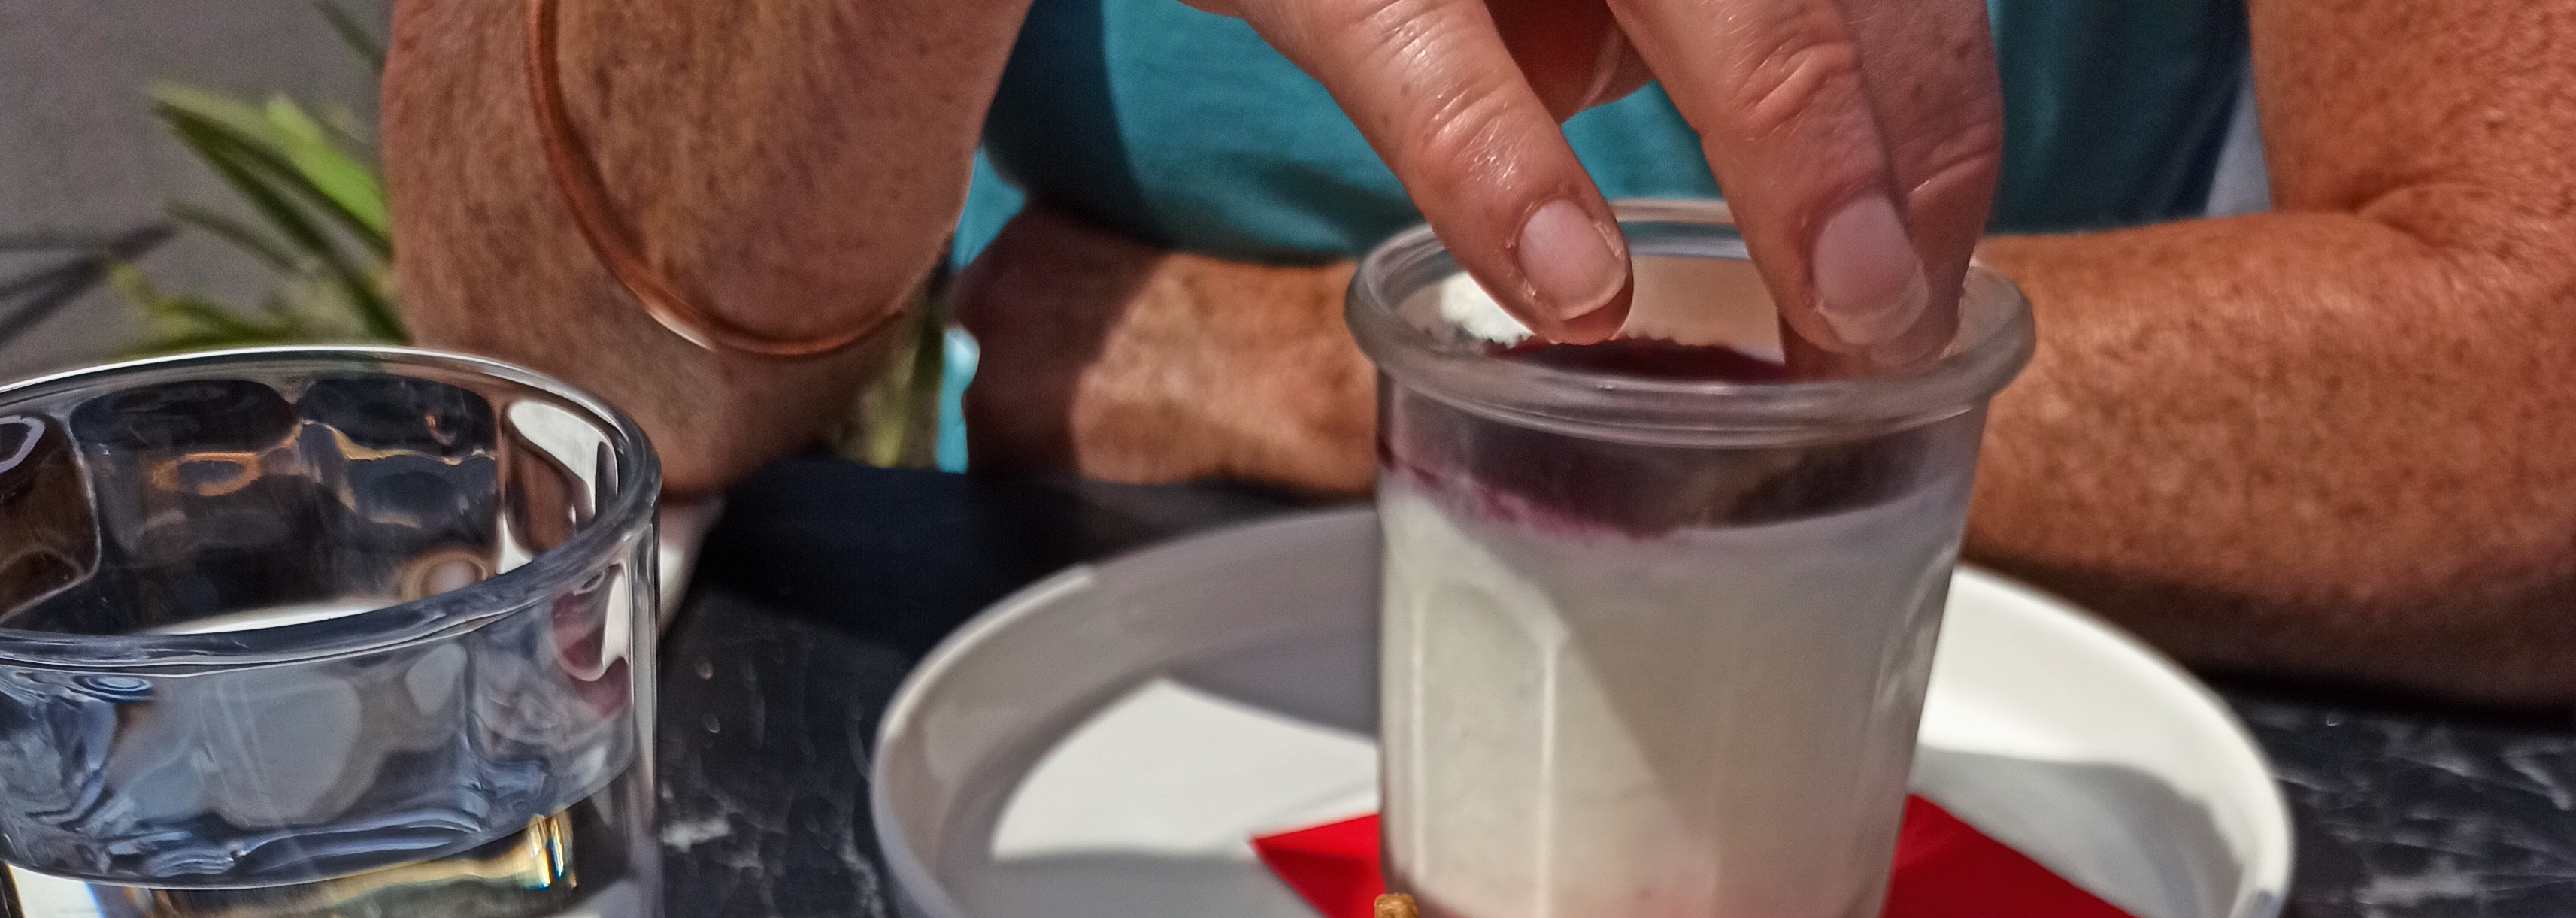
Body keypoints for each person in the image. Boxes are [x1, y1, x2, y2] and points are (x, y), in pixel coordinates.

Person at [386, 0, 2576, 701]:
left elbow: (2528, 379)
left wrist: (1330, 369)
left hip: (1973, 725)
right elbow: (536, 360)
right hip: (1078, 763)